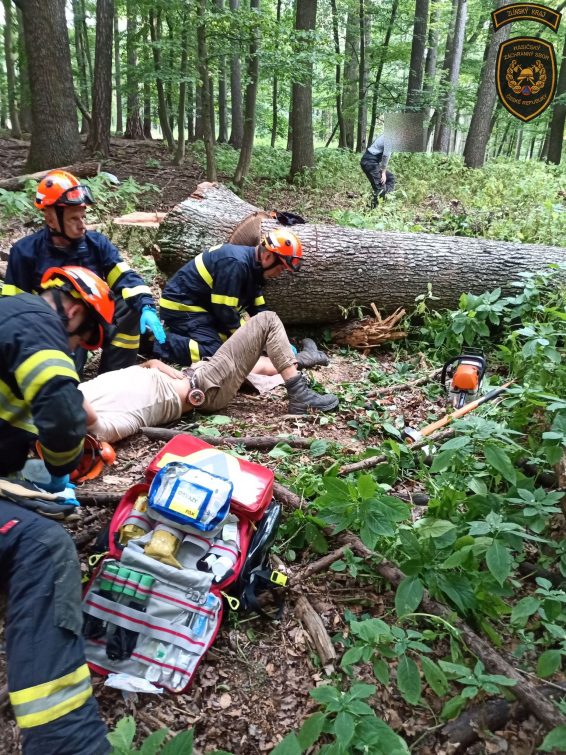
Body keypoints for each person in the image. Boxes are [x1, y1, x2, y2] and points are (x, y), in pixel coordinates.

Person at [0, 266, 113, 755]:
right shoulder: (33, 316)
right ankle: (67, 743)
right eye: (87, 335)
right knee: (44, 546)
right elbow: (64, 419)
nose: (83, 348)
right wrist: (62, 467)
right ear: (72, 307)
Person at [80, 312, 339, 442]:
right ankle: (300, 395)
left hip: (193, 374)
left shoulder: (80, 389)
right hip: (204, 387)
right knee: (267, 321)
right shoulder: (100, 426)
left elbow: (130, 377)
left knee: (254, 362)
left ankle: (307, 359)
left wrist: (151, 363)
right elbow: (97, 429)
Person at [2, 169, 165, 375]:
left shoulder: (96, 244)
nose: (83, 226)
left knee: (129, 303)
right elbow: (13, 307)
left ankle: (115, 374)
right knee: (69, 374)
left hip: (95, 317)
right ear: (51, 220)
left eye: (83, 217)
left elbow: (125, 277)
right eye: (74, 219)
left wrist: (147, 307)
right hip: (54, 328)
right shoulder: (25, 252)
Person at [154, 229, 327, 370]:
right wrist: (249, 342)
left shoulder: (253, 271)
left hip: (205, 310)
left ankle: (179, 337)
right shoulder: (235, 264)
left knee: (227, 340)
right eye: (280, 268)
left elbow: (260, 312)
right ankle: (155, 341)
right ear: (268, 257)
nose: (277, 274)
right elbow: (225, 312)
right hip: (182, 308)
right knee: (215, 353)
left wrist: (279, 342)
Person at [360, 133, 396, 207]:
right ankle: (373, 210)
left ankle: (385, 202)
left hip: (373, 162)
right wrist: (383, 173)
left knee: (390, 178)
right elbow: (386, 154)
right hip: (369, 162)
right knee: (380, 187)